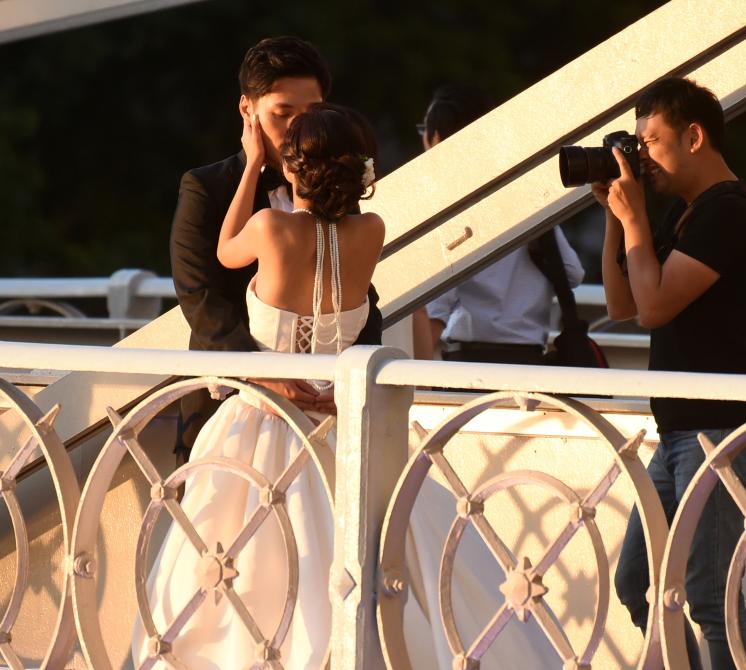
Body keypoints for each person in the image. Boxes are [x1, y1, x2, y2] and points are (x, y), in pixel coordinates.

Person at [135, 104, 557, 669]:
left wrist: (251, 161)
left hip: (263, 419)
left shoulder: (269, 228)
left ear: (292, 168)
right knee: (372, 554)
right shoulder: (371, 231)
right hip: (341, 420)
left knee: (239, 566)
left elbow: (222, 249)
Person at [596, 77, 746, 669]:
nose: (642, 159)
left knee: (709, 597)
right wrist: (615, 217)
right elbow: (623, 304)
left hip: (723, 431)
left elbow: (653, 309)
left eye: (652, 142)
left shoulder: (728, 212)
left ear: (694, 136)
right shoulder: (686, 214)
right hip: (683, 431)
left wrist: (638, 222)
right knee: (636, 582)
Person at [170, 36, 382, 462]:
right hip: (226, 410)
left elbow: (361, 297)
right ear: (247, 111)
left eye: (313, 114)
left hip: (325, 407)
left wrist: (352, 379)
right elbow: (200, 294)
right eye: (283, 114)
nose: (299, 129)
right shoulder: (206, 187)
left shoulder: (335, 185)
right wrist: (260, 375)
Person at [412, 85, 585, 363]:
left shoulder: (452, 209)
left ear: (436, 139)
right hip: (529, 358)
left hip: (468, 360)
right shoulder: (525, 199)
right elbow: (573, 273)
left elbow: (436, 307)